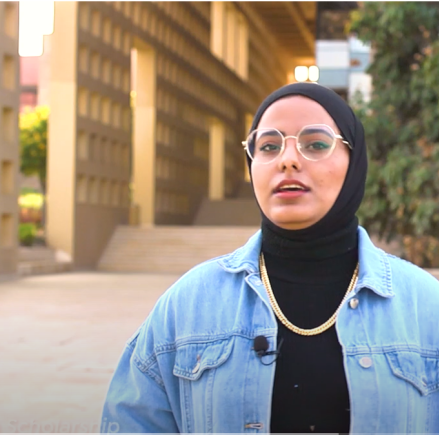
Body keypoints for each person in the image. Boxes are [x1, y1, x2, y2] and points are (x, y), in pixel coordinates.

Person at [100, 83, 439, 433]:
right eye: (268, 146)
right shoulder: (187, 304)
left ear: (355, 163)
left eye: (316, 144)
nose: (287, 159)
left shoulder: (425, 306)